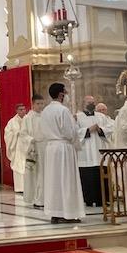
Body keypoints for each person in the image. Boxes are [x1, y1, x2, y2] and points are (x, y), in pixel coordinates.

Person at [35, 83, 84, 223]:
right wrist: (75, 127)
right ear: (61, 95)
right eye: (65, 92)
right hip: (63, 148)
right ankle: (67, 213)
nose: (67, 95)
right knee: (66, 180)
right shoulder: (63, 110)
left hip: (51, 148)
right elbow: (69, 132)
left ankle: (55, 213)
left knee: (54, 181)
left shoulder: (45, 111)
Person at [76, 96, 114, 207]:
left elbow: (111, 127)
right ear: (83, 103)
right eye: (89, 102)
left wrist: (100, 130)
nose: (91, 104)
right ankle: (88, 199)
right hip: (85, 152)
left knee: (101, 174)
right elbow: (74, 131)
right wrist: (87, 130)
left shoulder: (102, 116)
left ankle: (101, 199)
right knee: (87, 176)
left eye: (93, 102)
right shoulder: (77, 117)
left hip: (99, 151)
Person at [22, 95, 46, 209]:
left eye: (42, 103)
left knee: (45, 174)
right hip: (34, 148)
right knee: (37, 174)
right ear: (33, 104)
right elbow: (23, 134)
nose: (41, 106)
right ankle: (37, 199)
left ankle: (46, 198)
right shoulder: (28, 118)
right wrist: (31, 141)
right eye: (38, 103)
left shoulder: (46, 116)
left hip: (46, 148)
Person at [3, 104, 30, 195]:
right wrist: (16, 134)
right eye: (20, 109)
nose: (23, 111)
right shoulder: (12, 122)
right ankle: (19, 187)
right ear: (16, 111)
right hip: (17, 147)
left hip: (28, 147)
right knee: (18, 166)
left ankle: (29, 187)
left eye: (24, 109)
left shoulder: (29, 119)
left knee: (28, 166)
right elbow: (7, 134)